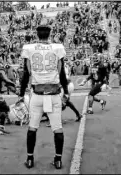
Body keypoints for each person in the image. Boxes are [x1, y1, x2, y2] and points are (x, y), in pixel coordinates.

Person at [18, 25, 69, 169]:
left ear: (37, 34)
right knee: (57, 128)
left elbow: (26, 74)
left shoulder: (29, 48)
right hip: (53, 94)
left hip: (37, 94)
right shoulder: (58, 48)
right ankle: (58, 160)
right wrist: (65, 91)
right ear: (50, 34)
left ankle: (29, 159)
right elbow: (62, 74)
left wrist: (21, 94)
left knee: (32, 127)